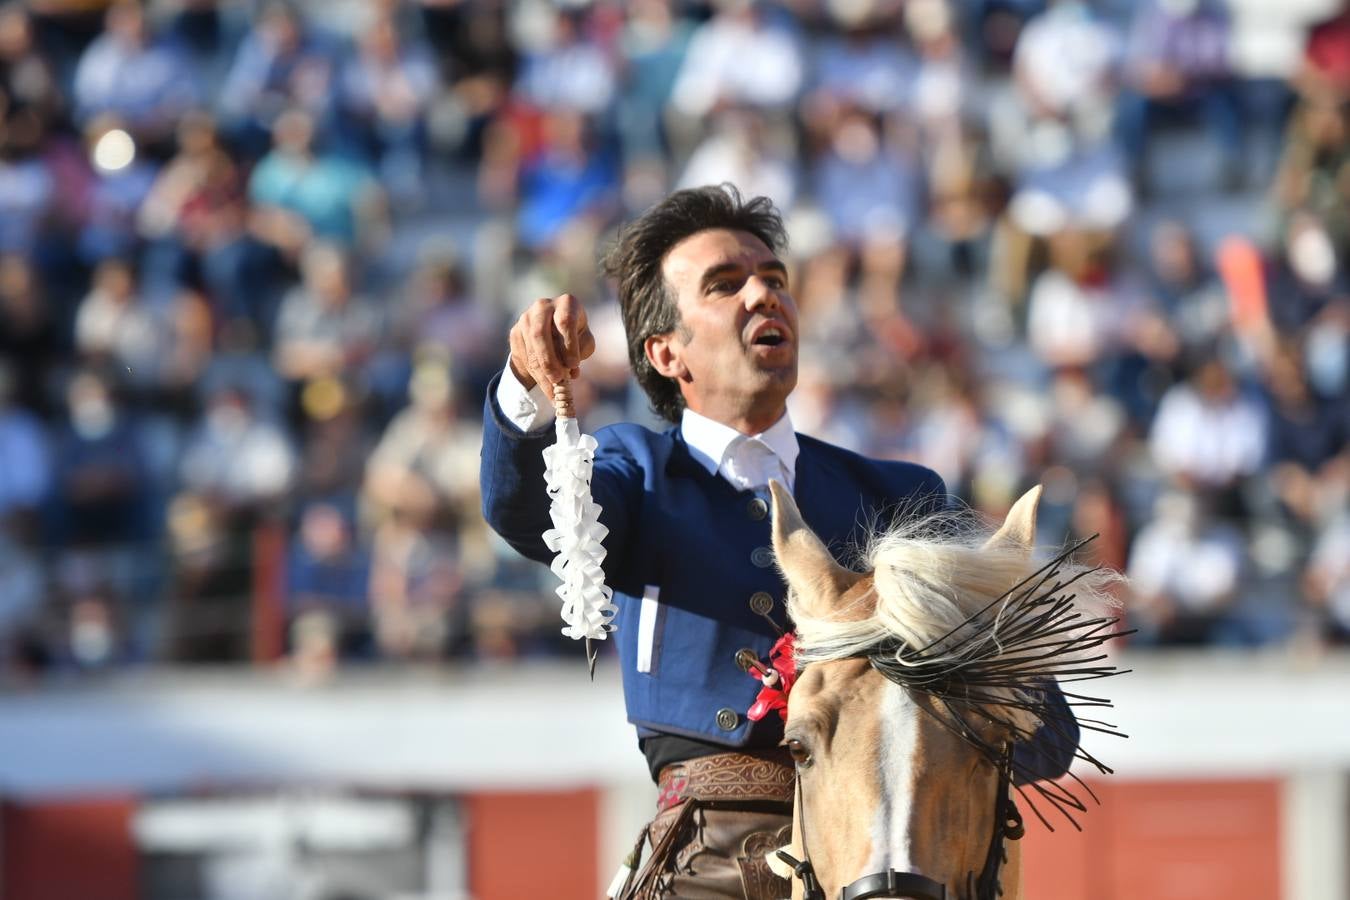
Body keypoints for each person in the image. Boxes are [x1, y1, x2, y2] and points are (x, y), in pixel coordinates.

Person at [479, 185, 1079, 898]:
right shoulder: (634, 472)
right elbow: (528, 512)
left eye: (774, 279)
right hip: (710, 859)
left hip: (887, 858)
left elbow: (1044, 735)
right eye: (725, 285)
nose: (763, 295)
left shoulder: (900, 495)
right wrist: (524, 384)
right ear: (667, 352)